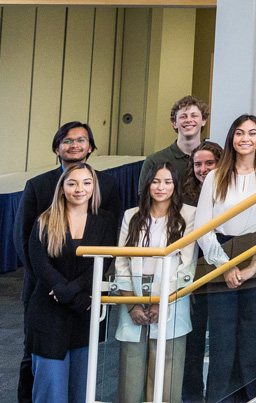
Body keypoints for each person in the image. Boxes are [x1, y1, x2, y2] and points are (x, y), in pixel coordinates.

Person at [17, 124, 122, 403]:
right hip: (48, 301)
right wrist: (59, 289)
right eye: (73, 183)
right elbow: (34, 256)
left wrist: (80, 291)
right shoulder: (45, 217)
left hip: (85, 305)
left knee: (81, 387)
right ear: (61, 188)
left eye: (87, 183)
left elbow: (108, 255)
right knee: (48, 383)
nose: (80, 188)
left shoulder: (105, 219)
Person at [194, 114, 256, 403]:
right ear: (232, 138)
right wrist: (225, 266)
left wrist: (254, 264)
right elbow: (202, 228)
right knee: (222, 339)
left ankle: (253, 398)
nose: (245, 138)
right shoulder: (215, 176)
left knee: (253, 338)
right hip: (220, 257)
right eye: (239, 132)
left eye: (252, 133)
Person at [115, 163, 198, 403]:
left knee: (167, 374)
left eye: (167, 182)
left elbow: (187, 264)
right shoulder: (131, 215)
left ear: (176, 185)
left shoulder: (189, 214)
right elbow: (120, 260)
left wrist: (163, 302)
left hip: (172, 298)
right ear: (147, 184)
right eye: (155, 182)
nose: (161, 187)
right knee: (130, 373)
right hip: (133, 296)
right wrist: (132, 304)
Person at [180, 140, 220, 403]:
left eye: (209, 163)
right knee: (192, 344)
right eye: (198, 164)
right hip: (193, 278)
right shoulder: (182, 196)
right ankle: (192, 397)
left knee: (220, 341)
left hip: (221, 274)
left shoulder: (229, 189)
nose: (203, 169)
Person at [139, 94, 208, 193]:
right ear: (174, 123)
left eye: (194, 115)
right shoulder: (154, 161)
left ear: (204, 121)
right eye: (183, 117)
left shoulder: (217, 158)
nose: (188, 120)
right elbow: (144, 200)